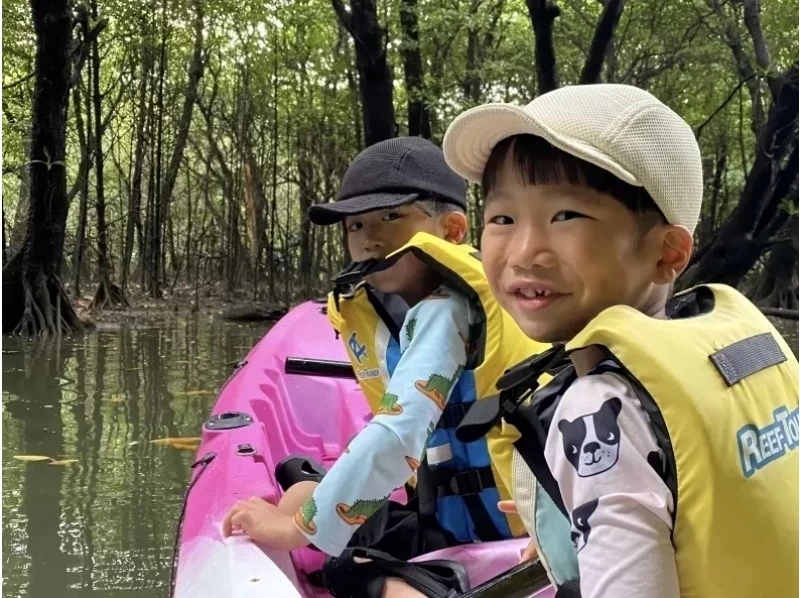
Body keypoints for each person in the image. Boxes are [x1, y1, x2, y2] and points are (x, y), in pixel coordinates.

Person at [441, 84, 800, 597]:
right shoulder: (737, 345)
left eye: (565, 215)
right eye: (503, 218)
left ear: (666, 253)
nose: (522, 251)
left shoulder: (602, 406)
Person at [222, 137, 565, 597]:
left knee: (347, 568)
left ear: (453, 230)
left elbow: (400, 434)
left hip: (497, 534)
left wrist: (298, 531)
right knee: (299, 482)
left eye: (390, 217)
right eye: (355, 224)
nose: (368, 237)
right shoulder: (411, 306)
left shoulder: (446, 312)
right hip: (446, 519)